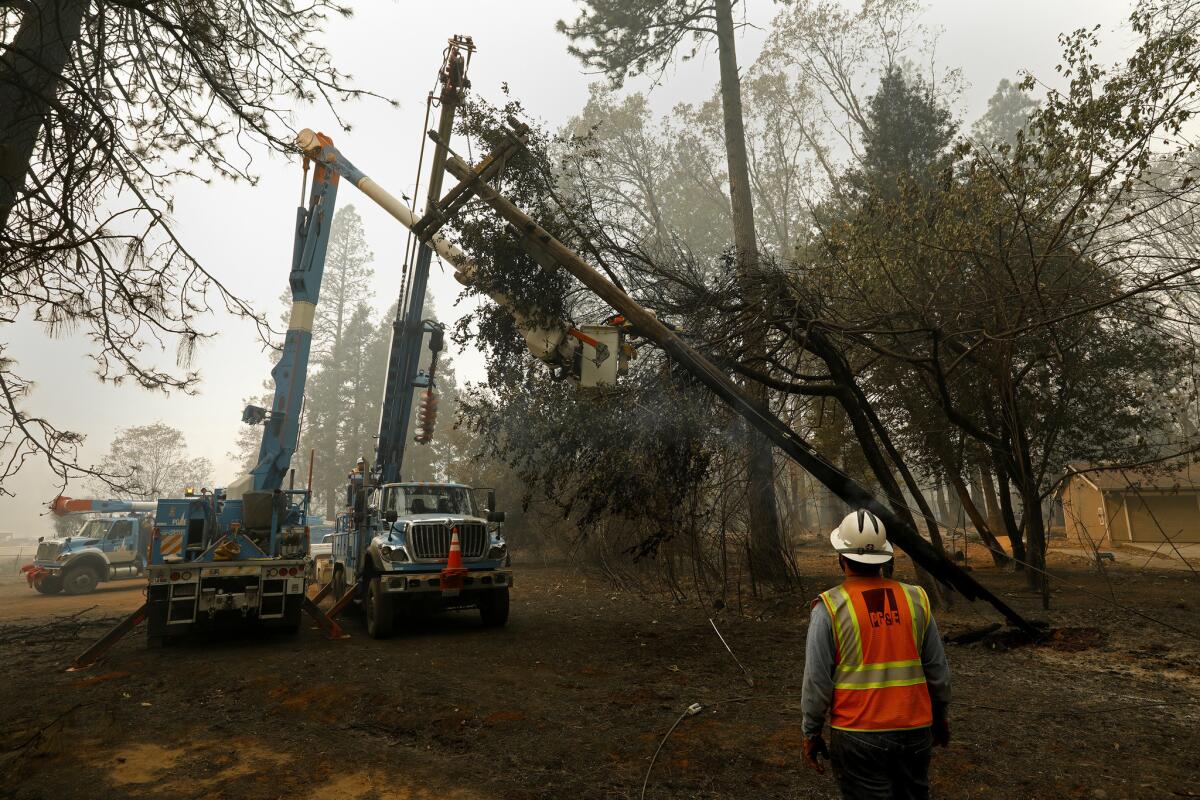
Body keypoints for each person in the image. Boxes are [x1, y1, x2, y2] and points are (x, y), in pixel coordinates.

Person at [801, 510, 951, 799]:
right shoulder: (916, 599)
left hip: (858, 734)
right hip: (916, 730)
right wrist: (940, 714)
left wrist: (812, 732)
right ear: (886, 557)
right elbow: (938, 670)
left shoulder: (830, 608)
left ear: (841, 558)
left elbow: (817, 682)